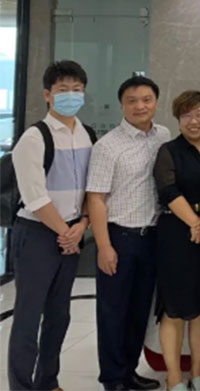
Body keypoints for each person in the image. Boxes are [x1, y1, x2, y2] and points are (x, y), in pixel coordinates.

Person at [7, 60, 94, 391]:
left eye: (77, 90)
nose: (71, 95)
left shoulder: (86, 134)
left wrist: (81, 225)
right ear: (48, 95)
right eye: (63, 90)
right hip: (37, 235)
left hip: (71, 232)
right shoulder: (34, 137)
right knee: (28, 317)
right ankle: (21, 386)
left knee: (59, 315)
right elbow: (35, 197)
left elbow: (91, 188)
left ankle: (48, 381)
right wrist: (66, 232)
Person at [87, 75, 171, 391]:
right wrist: (104, 246)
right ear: (122, 105)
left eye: (146, 100)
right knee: (113, 312)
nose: (140, 106)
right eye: (132, 101)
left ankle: (129, 371)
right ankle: (112, 378)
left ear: (156, 102)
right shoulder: (107, 146)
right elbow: (96, 198)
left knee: (139, 310)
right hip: (119, 237)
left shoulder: (163, 135)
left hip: (152, 238)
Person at [153, 91, 200, 391]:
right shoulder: (168, 151)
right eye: (186, 115)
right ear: (178, 119)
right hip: (176, 234)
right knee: (175, 308)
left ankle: (197, 373)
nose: (194, 121)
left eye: (199, 114)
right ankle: (173, 378)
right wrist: (195, 222)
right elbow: (167, 190)